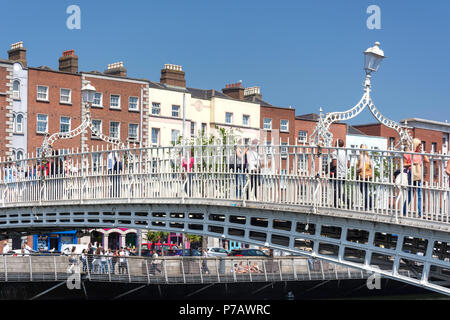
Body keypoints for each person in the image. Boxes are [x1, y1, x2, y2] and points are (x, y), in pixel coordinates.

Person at [403, 138, 429, 217]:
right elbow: (404, 164)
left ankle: (420, 213)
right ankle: (404, 211)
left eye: (421, 145)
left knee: (420, 194)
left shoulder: (420, 154)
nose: (420, 147)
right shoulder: (409, 153)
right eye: (419, 145)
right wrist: (412, 163)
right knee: (410, 194)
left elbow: (427, 160)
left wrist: (423, 153)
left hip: (418, 174)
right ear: (415, 145)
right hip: (411, 174)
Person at [331, 139, 350, 208]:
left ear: (337, 145)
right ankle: (335, 204)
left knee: (337, 190)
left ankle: (348, 201)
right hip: (344, 174)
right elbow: (348, 165)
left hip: (337, 173)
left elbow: (334, 164)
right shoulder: (346, 153)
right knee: (338, 189)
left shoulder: (335, 152)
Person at [356, 144, 373, 211]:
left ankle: (367, 205)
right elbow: (371, 166)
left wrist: (356, 170)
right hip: (368, 176)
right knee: (366, 190)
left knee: (363, 191)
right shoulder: (368, 157)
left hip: (361, 176)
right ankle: (370, 204)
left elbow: (360, 167)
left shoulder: (361, 156)